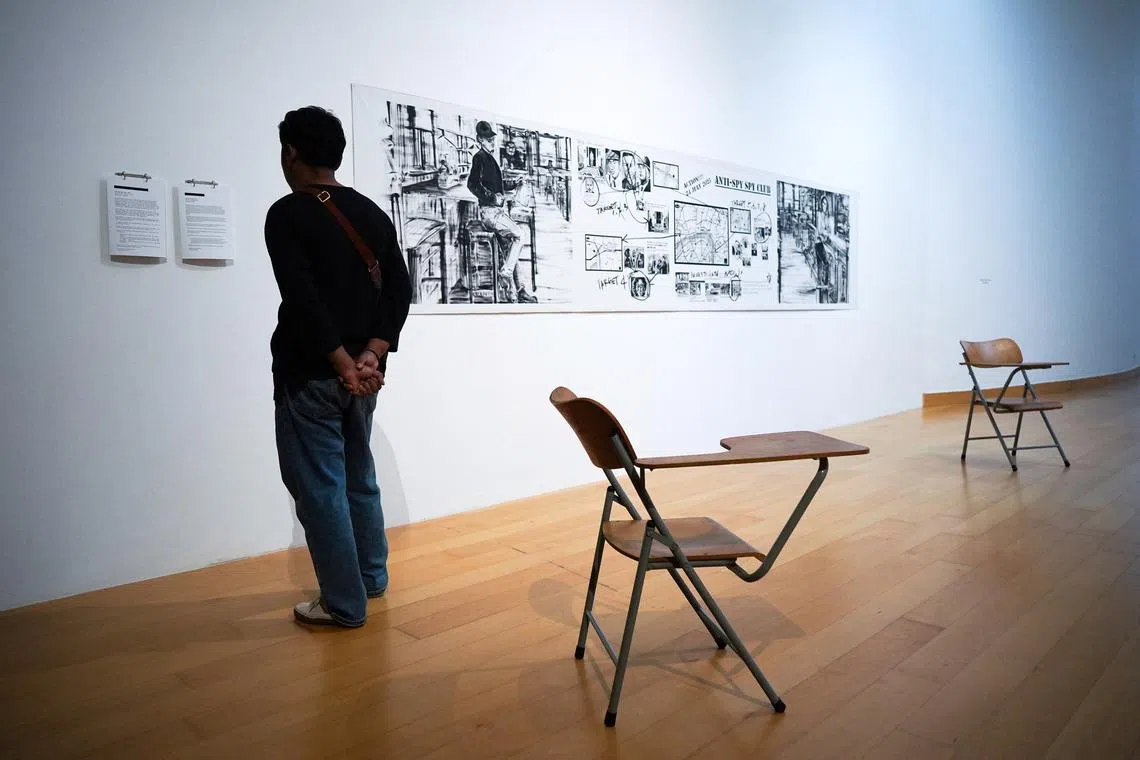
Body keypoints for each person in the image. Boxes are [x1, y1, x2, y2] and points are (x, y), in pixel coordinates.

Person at [264, 106, 413, 628]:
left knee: (321, 486)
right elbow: (399, 288)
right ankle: (371, 580)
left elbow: (303, 300)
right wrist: (371, 353)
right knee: (359, 476)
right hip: (364, 376)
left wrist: (341, 362)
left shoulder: (287, 214)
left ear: (291, 152)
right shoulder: (371, 212)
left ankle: (344, 604)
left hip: (312, 373)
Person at [466, 120, 537, 303]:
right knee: (519, 235)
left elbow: (498, 186)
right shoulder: (479, 157)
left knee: (510, 252)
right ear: (479, 140)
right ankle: (506, 274)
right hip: (490, 213)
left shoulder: (490, 159)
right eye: (487, 139)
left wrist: (514, 183)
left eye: (492, 139)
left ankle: (517, 293)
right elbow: (472, 184)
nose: (492, 142)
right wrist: (492, 198)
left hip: (497, 213)